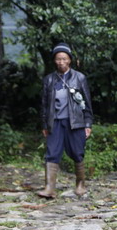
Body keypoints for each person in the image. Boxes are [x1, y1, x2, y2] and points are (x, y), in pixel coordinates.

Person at [37, 43, 93, 198]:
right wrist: (44, 124)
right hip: (55, 122)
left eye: (64, 59)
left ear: (69, 60)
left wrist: (88, 124)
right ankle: (49, 188)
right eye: (58, 59)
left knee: (77, 152)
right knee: (52, 153)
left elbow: (87, 103)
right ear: (54, 61)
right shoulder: (48, 80)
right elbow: (44, 104)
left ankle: (80, 184)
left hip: (75, 122)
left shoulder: (79, 78)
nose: (61, 62)